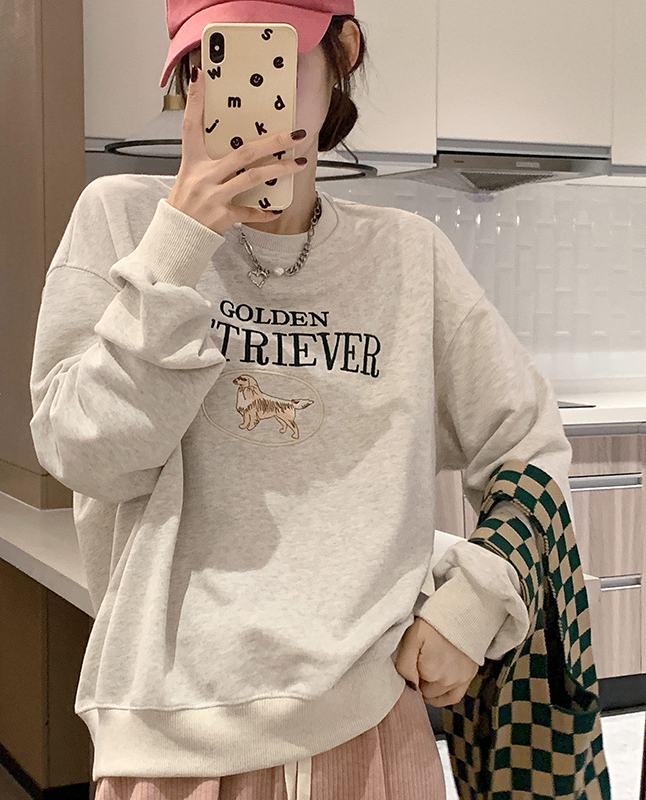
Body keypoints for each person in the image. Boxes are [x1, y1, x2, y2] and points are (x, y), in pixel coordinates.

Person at [28, 1, 574, 798]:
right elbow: (86, 456)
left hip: (374, 725)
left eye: (272, 56)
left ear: (341, 51)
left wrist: (471, 604)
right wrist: (178, 246)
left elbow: (531, 446)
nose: (243, 90)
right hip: (171, 743)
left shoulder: (409, 256)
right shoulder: (122, 221)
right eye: (212, 60)